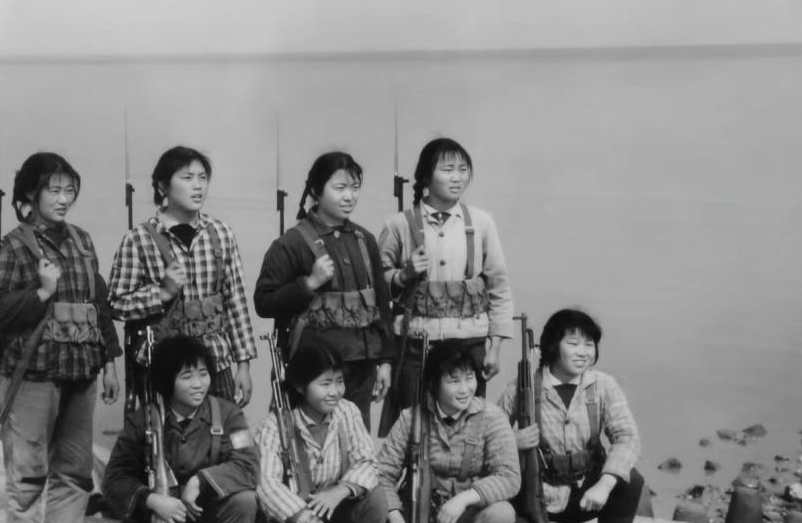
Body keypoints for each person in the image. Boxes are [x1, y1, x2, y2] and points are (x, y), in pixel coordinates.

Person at [0, 151, 121, 523]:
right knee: (28, 469)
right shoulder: (15, 246)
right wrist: (41, 294)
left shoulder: (83, 241)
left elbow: (99, 305)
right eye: (54, 190)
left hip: (81, 372)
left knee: (75, 469)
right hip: (31, 376)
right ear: (31, 195)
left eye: (69, 190)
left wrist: (111, 362)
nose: (63, 199)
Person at [101, 335, 260, 523]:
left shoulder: (228, 414)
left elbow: (249, 465)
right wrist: (152, 501)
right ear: (167, 381)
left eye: (203, 374)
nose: (198, 384)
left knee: (244, 500)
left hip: (200, 518)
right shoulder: (143, 420)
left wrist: (201, 480)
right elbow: (114, 479)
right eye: (187, 376)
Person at [377, 137, 513, 436]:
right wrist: (404, 274)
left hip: (469, 345)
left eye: (463, 169)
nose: (457, 177)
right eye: (447, 169)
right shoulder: (398, 225)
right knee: (413, 429)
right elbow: (377, 286)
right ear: (427, 175)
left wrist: (496, 347)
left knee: (469, 429)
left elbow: (498, 285)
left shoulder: (481, 222)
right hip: (415, 346)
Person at [499, 308, 643, 523]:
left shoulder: (603, 385)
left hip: (587, 493)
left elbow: (628, 438)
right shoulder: (522, 386)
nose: (583, 352)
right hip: (534, 495)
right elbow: (488, 437)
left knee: (631, 480)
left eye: (589, 345)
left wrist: (605, 483)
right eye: (573, 344)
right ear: (553, 346)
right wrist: (512, 443)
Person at [373, 340, 521, 523]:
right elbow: (382, 474)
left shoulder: (491, 417)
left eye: (469, 378)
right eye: (453, 381)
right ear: (433, 384)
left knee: (501, 514)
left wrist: (464, 499)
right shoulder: (411, 419)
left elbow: (510, 476)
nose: (465, 389)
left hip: (465, 520)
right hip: (417, 519)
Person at [253, 151, 395, 428]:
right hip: (310, 370)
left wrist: (387, 361)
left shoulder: (365, 240)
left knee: (355, 441)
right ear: (317, 191)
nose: (349, 196)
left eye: (355, 188)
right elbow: (263, 302)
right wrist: (308, 284)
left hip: (361, 367)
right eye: (339, 188)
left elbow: (382, 304)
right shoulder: (291, 243)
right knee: (307, 444)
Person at [108, 146, 257, 407]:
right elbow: (116, 304)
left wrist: (243, 365)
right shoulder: (139, 240)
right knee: (163, 442)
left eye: (202, 178)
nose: (197, 186)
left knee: (221, 438)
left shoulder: (221, 234)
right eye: (187, 178)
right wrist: (161, 294)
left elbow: (236, 302)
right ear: (163, 186)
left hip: (215, 361)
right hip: (162, 364)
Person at [248, 343, 388, 523]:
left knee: (375, 494)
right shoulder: (274, 425)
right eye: (325, 383)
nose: (334, 391)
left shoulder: (347, 411)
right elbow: (266, 486)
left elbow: (368, 463)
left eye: (339, 382)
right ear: (300, 386)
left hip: (329, 519)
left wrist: (341, 491)